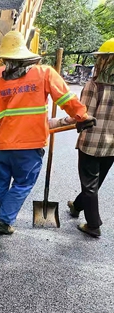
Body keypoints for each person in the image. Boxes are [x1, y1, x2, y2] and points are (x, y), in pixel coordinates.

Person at [0, 31, 95, 235]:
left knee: (0, 185)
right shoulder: (44, 73)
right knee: (23, 183)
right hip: (29, 146)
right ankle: (2, 220)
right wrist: (82, 116)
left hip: (2, 146)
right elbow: (66, 99)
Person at [67, 38, 114, 238]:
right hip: (112, 146)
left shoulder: (94, 86)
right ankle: (77, 206)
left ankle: (93, 225)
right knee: (94, 182)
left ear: (104, 61)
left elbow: (83, 115)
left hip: (92, 144)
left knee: (89, 185)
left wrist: (65, 122)